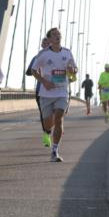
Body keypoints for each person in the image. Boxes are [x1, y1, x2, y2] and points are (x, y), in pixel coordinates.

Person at [29, 28, 77, 162]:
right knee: (48, 124)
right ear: (49, 39)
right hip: (46, 93)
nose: (58, 36)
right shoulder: (43, 54)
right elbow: (33, 70)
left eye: (59, 34)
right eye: (55, 35)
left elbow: (75, 68)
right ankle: (47, 132)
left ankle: (54, 151)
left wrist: (72, 70)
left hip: (62, 92)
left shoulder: (67, 53)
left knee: (59, 119)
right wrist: (44, 81)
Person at [26, 37, 52, 147]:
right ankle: (46, 134)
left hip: (56, 90)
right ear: (41, 45)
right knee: (44, 113)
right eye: (44, 42)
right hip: (40, 90)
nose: (45, 44)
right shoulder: (36, 58)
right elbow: (28, 72)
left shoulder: (58, 57)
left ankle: (50, 130)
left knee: (56, 114)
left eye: (47, 42)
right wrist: (37, 71)